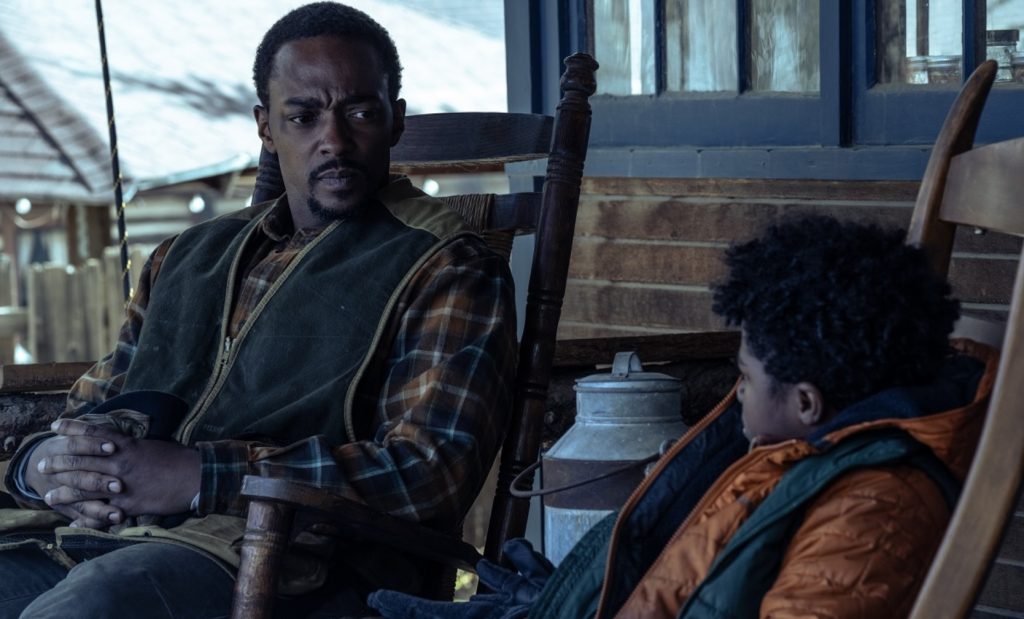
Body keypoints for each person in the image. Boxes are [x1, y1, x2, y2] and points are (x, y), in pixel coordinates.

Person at [0, 2, 516, 617]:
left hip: (294, 563)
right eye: (303, 116)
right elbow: (92, 408)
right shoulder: (183, 257)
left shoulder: (446, 266)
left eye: (360, 112)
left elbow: (430, 471)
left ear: (395, 120)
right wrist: (43, 466)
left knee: (89, 606)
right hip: (106, 536)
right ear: (266, 128)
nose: (334, 140)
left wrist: (200, 474)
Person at [368, 215, 998, 619]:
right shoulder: (807, 457)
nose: (737, 394)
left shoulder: (873, 512)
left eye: (746, 378)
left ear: (807, 403)